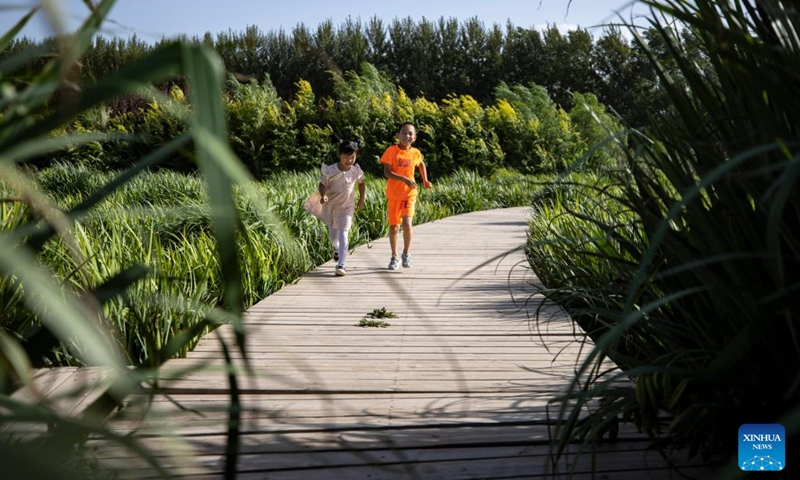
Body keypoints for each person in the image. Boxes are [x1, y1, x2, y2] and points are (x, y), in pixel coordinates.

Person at [304, 134, 366, 276]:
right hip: (331, 206)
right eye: (346, 157)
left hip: (347, 207)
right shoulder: (330, 170)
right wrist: (323, 195)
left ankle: (341, 264)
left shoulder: (356, 170)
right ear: (339, 155)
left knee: (344, 233)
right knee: (334, 238)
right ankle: (337, 250)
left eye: (353, 157)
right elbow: (322, 184)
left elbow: (362, 184)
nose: (349, 161)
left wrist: (361, 199)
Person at [380, 122, 432, 270]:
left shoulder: (415, 152)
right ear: (398, 135)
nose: (406, 136)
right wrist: (404, 179)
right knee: (394, 227)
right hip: (393, 194)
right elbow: (387, 172)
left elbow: (421, 164)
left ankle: (406, 253)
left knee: (407, 223)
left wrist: (425, 179)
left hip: (409, 194)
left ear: (414, 138)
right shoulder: (391, 151)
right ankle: (394, 256)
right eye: (403, 133)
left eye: (410, 134)